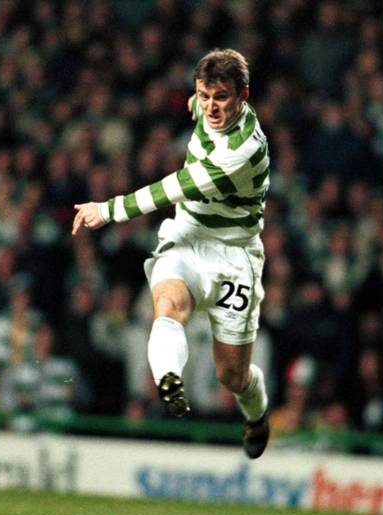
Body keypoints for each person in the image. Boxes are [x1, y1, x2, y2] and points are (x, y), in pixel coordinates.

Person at [72, 49, 271, 459]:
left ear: (244, 96)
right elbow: (197, 106)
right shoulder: (205, 107)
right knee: (167, 305)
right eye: (205, 96)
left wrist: (107, 210)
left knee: (231, 376)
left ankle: (257, 413)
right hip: (187, 235)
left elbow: (175, 187)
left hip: (233, 257)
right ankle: (168, 380)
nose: (211, 107)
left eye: (221, 97)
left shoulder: (244, 150)